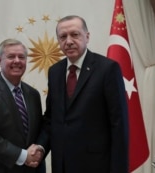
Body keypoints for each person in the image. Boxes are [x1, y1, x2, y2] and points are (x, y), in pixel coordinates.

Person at [37, 15, 129, 173]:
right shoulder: (55, 72)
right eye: (63, 37)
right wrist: (40, 147)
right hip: (62, 164)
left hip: (96, 165)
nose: (69, 41)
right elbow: (52, 118)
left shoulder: (107, 69)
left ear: (87, 36)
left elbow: (119, 124)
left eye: (75, 34)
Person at [0, 38, 45, 173]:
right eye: (11, 56)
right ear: (0, 60)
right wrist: (23, 156)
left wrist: (38, 150)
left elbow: (36, 133)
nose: (17, 61)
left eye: (21, 57)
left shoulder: (33, 94)